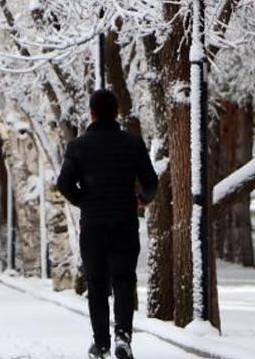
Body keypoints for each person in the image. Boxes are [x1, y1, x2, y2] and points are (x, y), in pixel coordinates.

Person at [56, 89, 158, 359]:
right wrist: (140, 199)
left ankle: (100, 343)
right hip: (124, 223)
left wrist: (84, 201)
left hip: (93, 227)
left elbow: (63, 184)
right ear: (116, 113)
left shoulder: (78, 147)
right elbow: (151, 182)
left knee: (97, 285)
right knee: (124, 281)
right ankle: (123, 337)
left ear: (91, 113)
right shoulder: (132, 144)